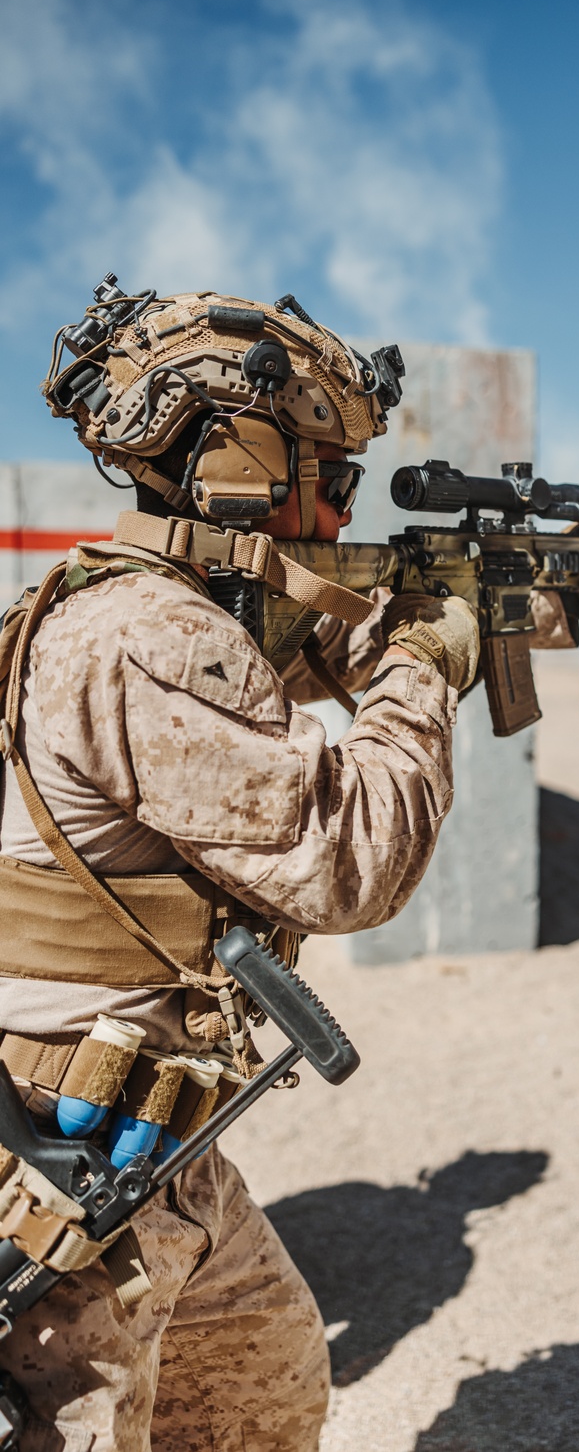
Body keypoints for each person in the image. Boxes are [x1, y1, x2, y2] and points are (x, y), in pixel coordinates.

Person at [0, 284, 480, 1450]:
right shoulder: (147, 638)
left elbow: (285, 655)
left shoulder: (133, 604)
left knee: (267, 1391)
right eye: (333, 473)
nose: (341, 503)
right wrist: (421, 664)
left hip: (162, 1146)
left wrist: (428, 606)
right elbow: (352, 860)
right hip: (69, 1163)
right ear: (246, 464)